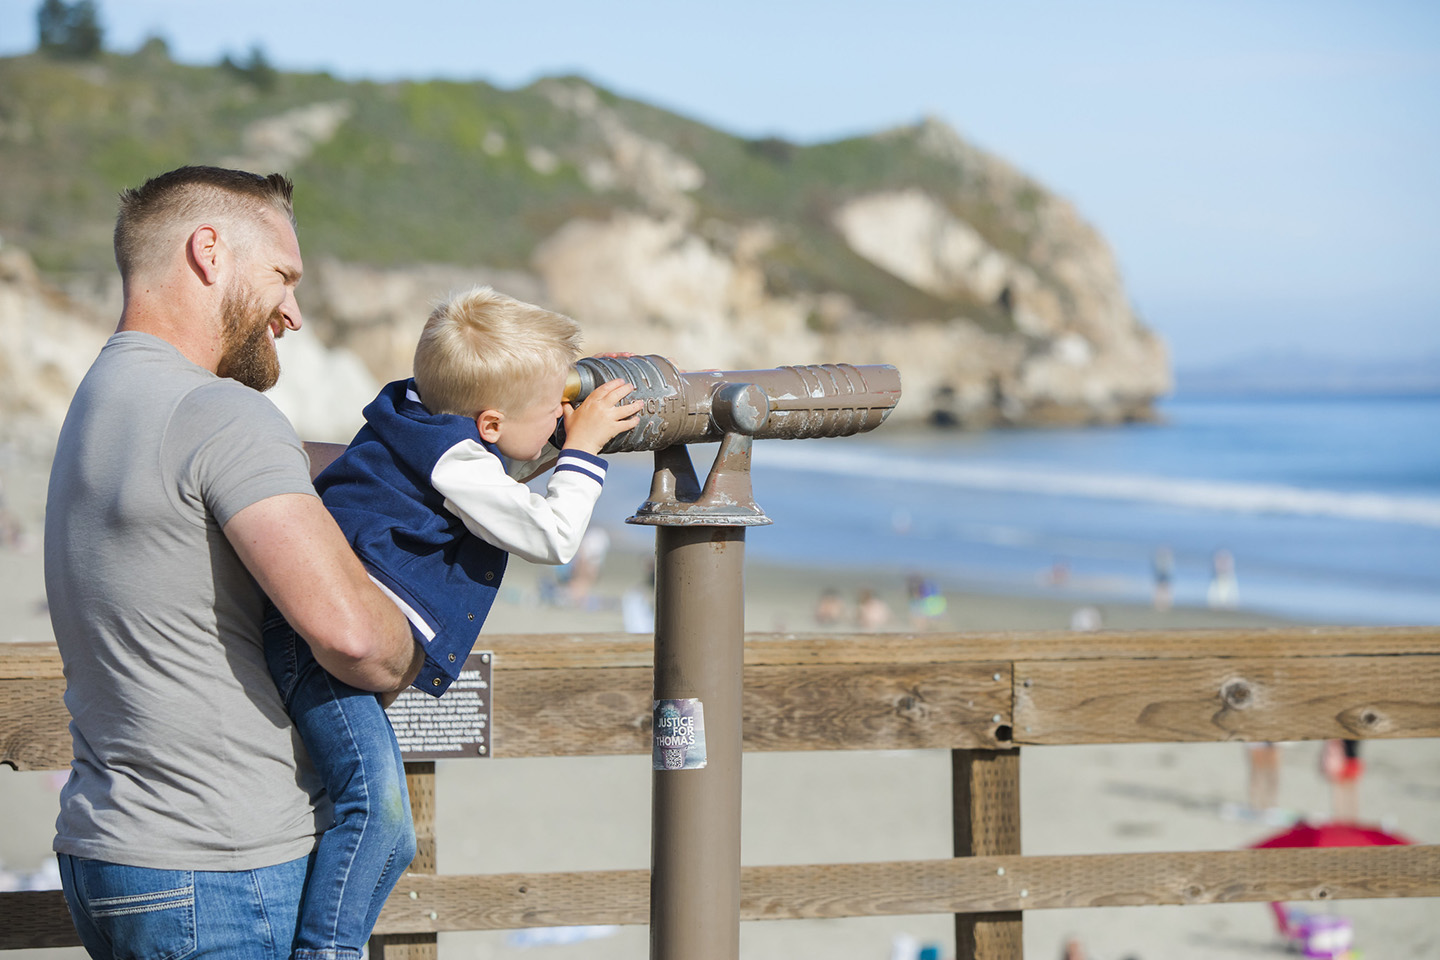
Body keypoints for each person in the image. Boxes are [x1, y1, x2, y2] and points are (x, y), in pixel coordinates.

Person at [44, 166, 423, 959]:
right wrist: (415, 640)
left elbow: (286, 465)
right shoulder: (221, 412)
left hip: (111, 853)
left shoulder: (105, 398)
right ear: (209, 252)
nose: (291, 312)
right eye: (283, 276)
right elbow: (357, 641)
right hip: (219, 871)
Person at [263, 284, 642, 956]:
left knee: (347, 809)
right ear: (489, 424)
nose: (562, 416)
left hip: (315, 642)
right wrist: (586, 450)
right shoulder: (455, 459)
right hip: (321, 653)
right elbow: (551, 537)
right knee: (382, 822)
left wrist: (572, 393)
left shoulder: (423, 419)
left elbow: (492, 491)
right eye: (554, 407)